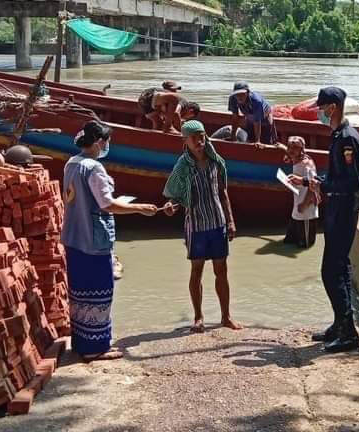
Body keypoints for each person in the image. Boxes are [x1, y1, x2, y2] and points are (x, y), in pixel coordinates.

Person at [62, 120, 157, 360]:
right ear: (98, 142)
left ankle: (82, 343)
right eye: (106, 140)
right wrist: (139, 207)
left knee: (80, 293)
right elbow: (107, 204)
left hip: (73, 237)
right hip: (93, 240)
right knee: (99, 292)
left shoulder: (71, 163)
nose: (107, 145)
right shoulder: (94, 168)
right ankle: (96, 347)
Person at [288, 87, 359, 353]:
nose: (319, 113)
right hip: (335, 206)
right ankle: (340, 325)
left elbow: (353, 181)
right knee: (333, 268)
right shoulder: (337, 136)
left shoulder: (346, 139)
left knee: (334, 270)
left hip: (343, 207)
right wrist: (317, 183)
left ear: (332, 107)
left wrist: (312, 182)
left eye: (321, 108)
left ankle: (349, 333)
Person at [163, 120, 243, 333]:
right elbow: (175, 195)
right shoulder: (182, 166)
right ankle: (198, 318)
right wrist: (171, 206)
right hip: (196, 225)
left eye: (202, 136)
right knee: (196, 270)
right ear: (185, 141)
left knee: (221, 270)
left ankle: (226, 316)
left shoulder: (216, 161)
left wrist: (231, 221)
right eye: (194, 137)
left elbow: (223, 193)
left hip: (217, 222)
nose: (199, 141)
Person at [269, 136, 319, 248]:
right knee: (288, 242)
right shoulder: (295, 158)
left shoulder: (307, 164)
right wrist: (282, 147)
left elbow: (314, 184)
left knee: (304, 245)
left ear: (302, 150)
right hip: (296, 209)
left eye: (295, 147)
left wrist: (304, 204)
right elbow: (290, 153)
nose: (291, 150)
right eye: (289, 146)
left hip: (306, 210)